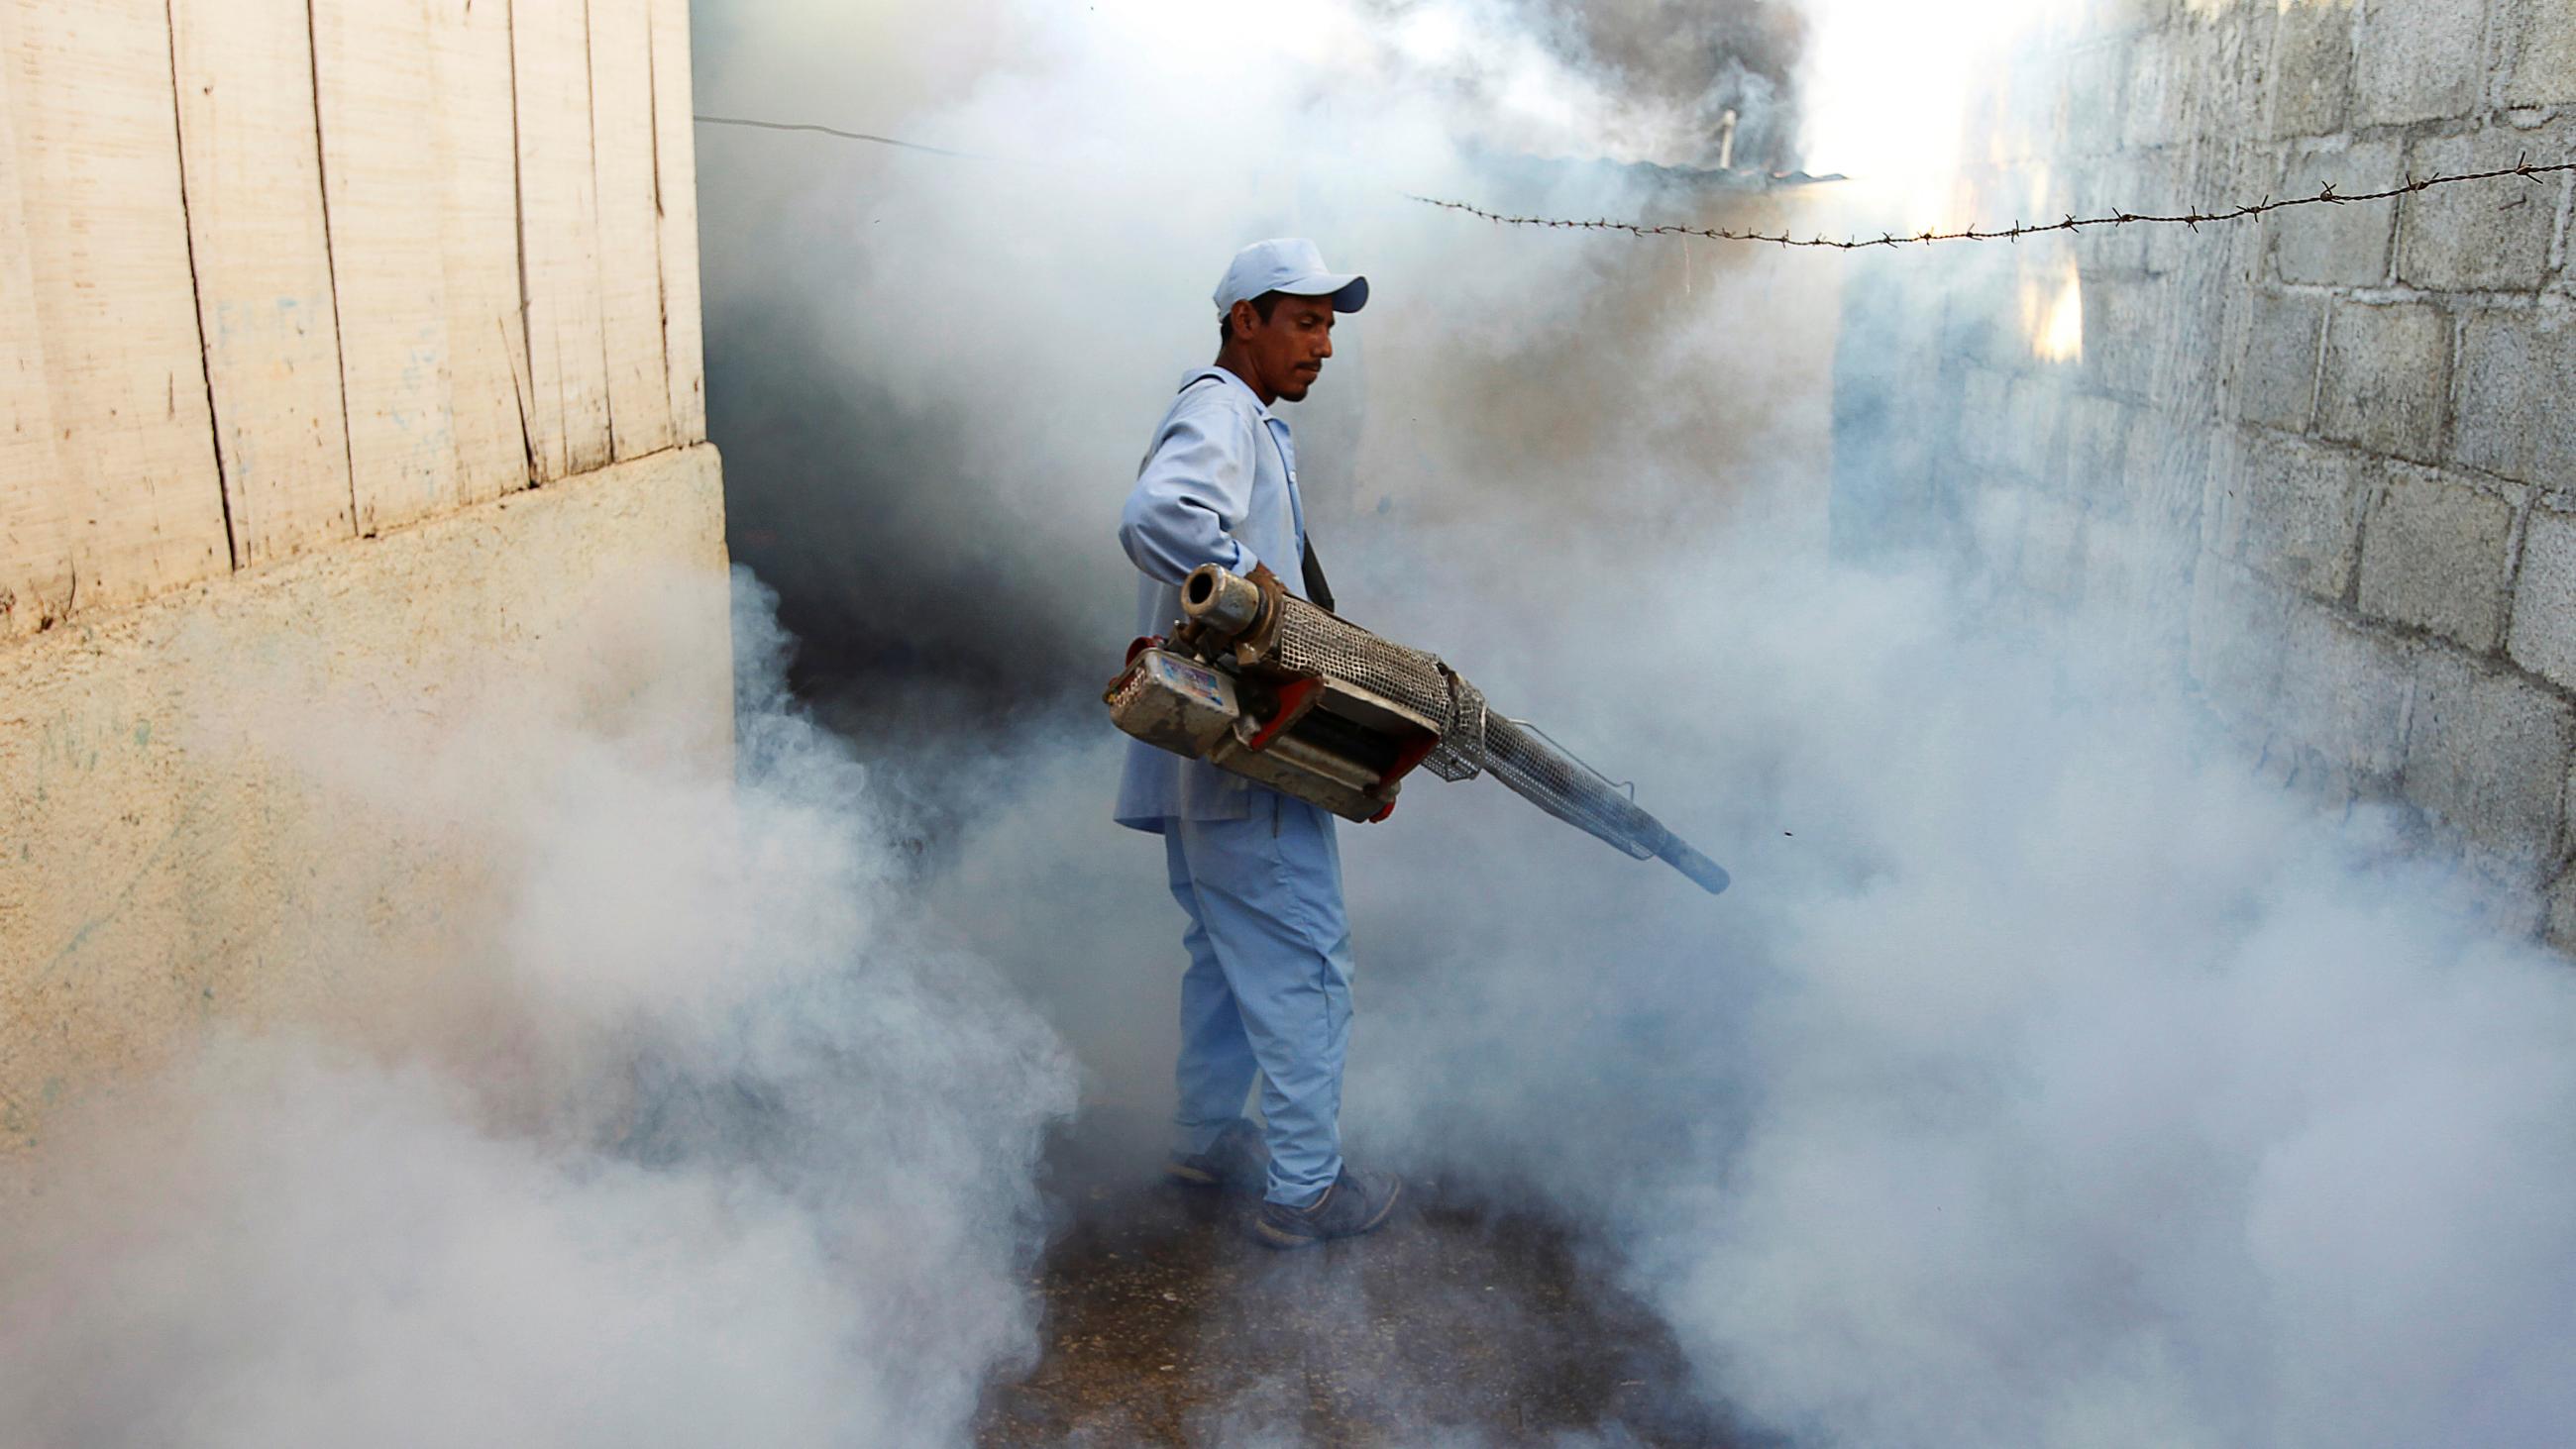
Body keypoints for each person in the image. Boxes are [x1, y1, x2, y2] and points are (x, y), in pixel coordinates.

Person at [1113, 239, 1403, 1250]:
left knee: (1228, 959)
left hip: (1208, 752)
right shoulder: (1221, 408)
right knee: (1302, 964)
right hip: (1239, 752)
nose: (1323, 346)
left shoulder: (1246, 421)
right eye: (1306, 321)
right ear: (1247, 319)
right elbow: (1158, 514)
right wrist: (1252, 580)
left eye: (1330, 325)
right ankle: (1306, 1191)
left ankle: (1203, 1142)